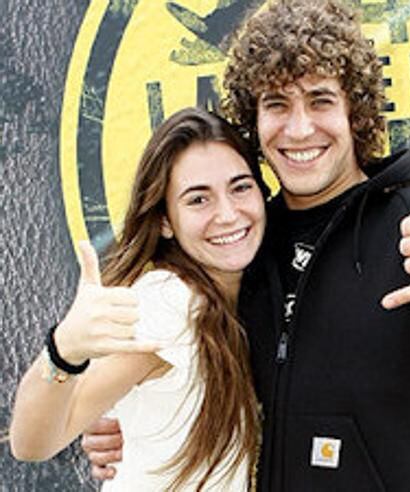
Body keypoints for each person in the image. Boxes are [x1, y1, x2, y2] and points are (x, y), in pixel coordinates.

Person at [83, 0, 410, 490]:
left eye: (320, 100)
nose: (299, 128)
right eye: (277, 104)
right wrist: (134, 423)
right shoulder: (244, 247)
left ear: (356, 110)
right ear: (253, 120)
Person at [10, 108, 269, 491]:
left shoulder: (253, 294)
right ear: (165, 220)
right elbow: (32, 443)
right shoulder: (168, 304)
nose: (228, 214)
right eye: (198, 199)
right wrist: (64, 350)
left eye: (240, 187)